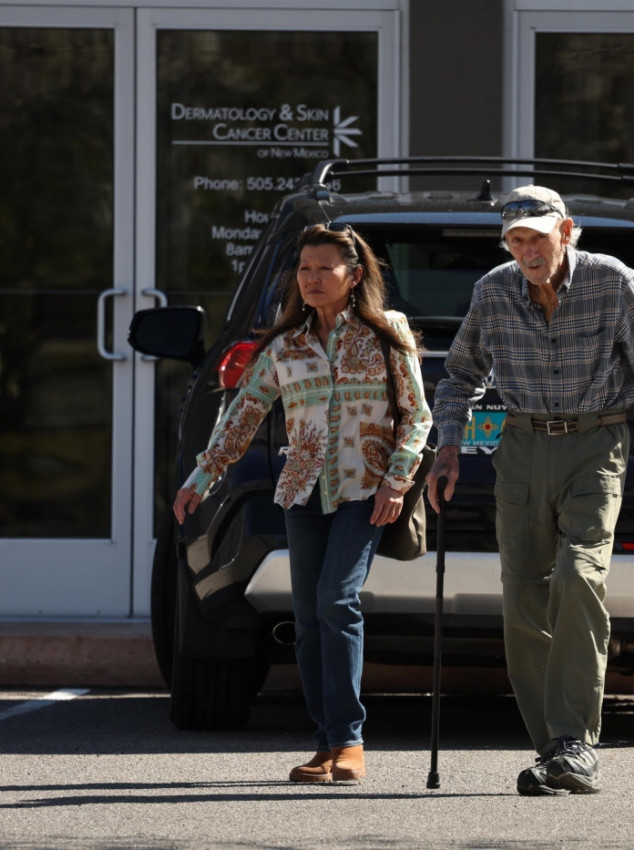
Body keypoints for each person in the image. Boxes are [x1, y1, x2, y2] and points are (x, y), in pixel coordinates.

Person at [429, 185, 634, 795]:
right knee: (521, 596)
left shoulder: (612, 281)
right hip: (520, 448)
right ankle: (553, 751)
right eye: (515, 241)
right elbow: (460, 374)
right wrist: (446, 449)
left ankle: (575, 740)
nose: (527, 252)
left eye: (537, 238)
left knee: (578, 575)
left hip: (596, 443)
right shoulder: (493, 289)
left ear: (566, 231)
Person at [173, 223, 431, 785]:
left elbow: (418, 415)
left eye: (324, 268)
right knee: (310, 618)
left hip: (365, 488)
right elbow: (242, 414)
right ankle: (325, 742)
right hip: (302, 490)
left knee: (337, 602)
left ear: (354, 275)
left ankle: (350, 740)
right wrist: (202, 475)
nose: (311, 279)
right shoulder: (285, 345)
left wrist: (397, 480)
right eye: (304, 269)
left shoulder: (387, 332)